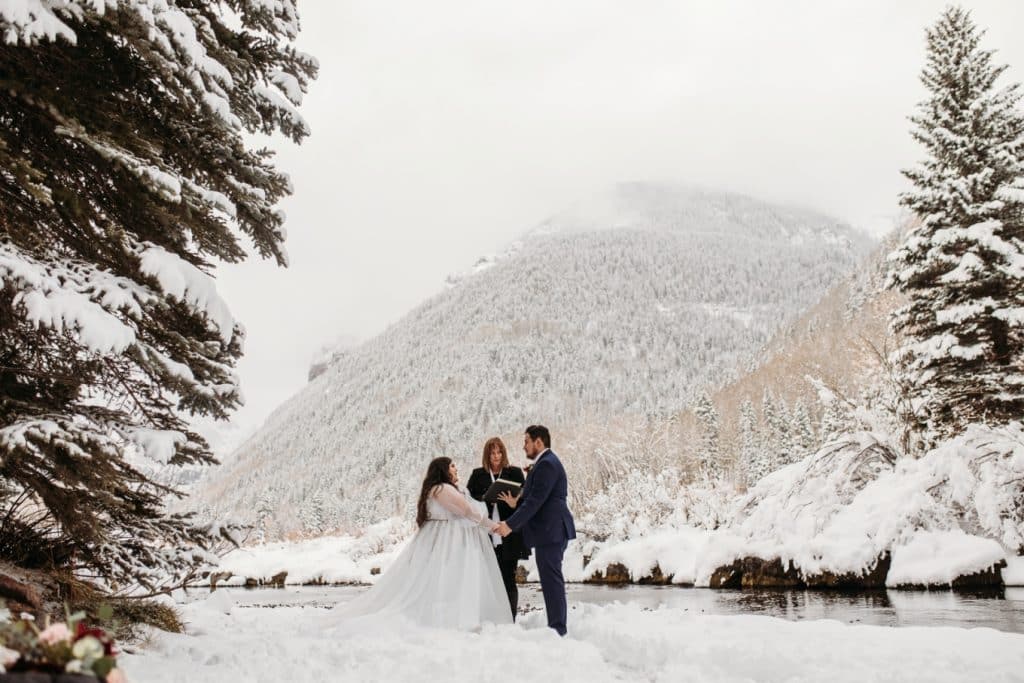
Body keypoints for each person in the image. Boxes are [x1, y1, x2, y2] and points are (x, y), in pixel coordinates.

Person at [332, 457, 512, 630]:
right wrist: (492, 526)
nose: (456, 468)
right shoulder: (442, 489)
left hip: (446, 538)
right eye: (452, 466)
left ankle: (454, 615)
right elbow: (466, 510)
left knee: (445, 579)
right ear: (443, 470)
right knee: (447, 578)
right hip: (448, 540)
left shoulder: (441, 489)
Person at [496, 425, 576, 636]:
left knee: (552, 583)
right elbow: (534, 498)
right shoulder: (543, 464)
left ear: (538, 442)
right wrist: (517, 502)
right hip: (549, 532)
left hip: (551, 531)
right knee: (550, 582)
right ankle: (556, 628)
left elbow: (535, 502)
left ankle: (558, 630)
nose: (524, 446)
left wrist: (509, 525)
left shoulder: (547, 465)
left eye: (526, 442)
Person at [466, 437, 529, 620]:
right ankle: (493, 618)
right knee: (489, 579)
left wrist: (513, 503)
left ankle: (510, 619)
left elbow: (525, 504)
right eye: (492, 453)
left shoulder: (515, 473)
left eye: (499, 452)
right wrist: (486, 499)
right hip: (485, 535)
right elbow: (469, 502)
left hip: (508, 534)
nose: (496, 456)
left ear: (504, 453)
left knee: (508, 579)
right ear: (487, 455)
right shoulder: (477, 475)